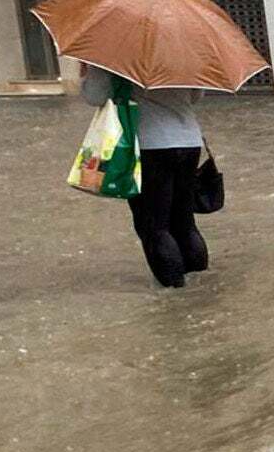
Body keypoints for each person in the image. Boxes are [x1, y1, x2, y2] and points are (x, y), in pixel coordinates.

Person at [81, 65, 206, 289]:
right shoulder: (182, 50)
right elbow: (196, 96)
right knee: (184, 222)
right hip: (189, 141)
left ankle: (175, 296)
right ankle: (200, 287)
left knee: (154, 226)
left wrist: (87, 73)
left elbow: (95, 96)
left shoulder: (114, 53)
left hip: (149, 144)